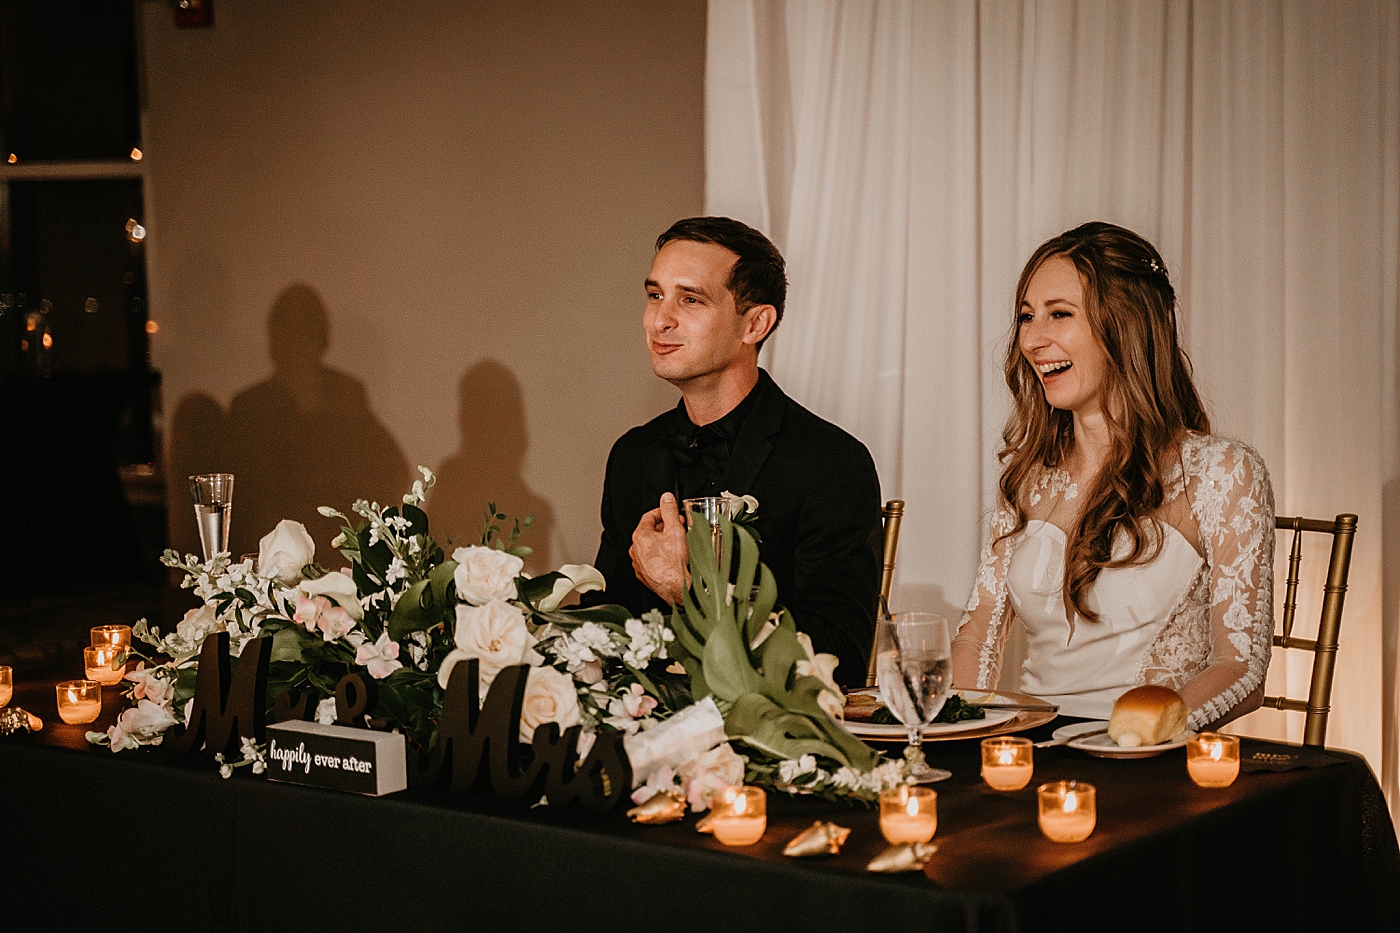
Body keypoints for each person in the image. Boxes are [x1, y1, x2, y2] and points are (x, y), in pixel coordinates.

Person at [951, 222, 1275, 730]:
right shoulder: (1029, 479)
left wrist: (1143, 734)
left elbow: (1241, 667)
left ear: (1126, 325)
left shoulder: (1222, 472)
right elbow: (977, 630)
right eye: (1026, 317)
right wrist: (963, 723)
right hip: (1029, 745)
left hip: (1142, 761)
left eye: (1059, 314)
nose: (1033, 340)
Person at [593, 217, 882, 687]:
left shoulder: (832, 463)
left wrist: (688, 592)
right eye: (654, 295)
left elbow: (839, 656)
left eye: (690, 299)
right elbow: (604, 624)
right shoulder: (632, 455)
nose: (659, 319)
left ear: (755, 323)